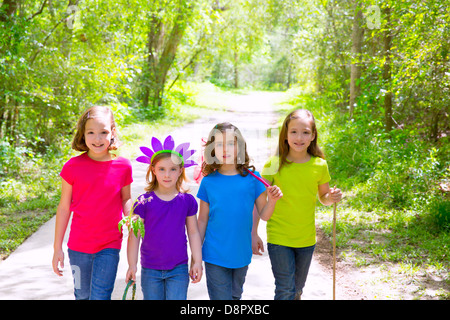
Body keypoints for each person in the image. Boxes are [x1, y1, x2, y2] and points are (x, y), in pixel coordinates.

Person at [254, 109, 342, 300]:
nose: (299, 137)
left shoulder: (319, 165)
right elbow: (260, 204)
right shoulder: (273, 164)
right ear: (285, 135)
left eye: (305, 132)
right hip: (279, 237)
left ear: (312, 136)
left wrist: (331, 197)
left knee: (297, 289)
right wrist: (254, 232)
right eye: (293, 132)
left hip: (306, 238)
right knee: (285, 289)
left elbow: (323, 197)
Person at [52, 106, 133, 300]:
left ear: (112, 132)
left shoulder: (122, 166)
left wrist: (131, 218)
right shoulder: (72, 167)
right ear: (83, 134)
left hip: (109, 245)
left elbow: (126, 198)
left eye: (103, 132)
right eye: (91, 133)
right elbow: (64, 208)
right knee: (82, 294)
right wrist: (57, 248)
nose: (97, 139)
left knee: (101, 296)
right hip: (78, 248)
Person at [197, 122, 283, 300]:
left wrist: (272, 200)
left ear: (240, 147)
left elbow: (265, 215)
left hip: (241, 253)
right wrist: (196, 254)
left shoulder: (253, 179)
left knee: (235, 297)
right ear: (212, 149)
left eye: (231, 143)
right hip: (214, 253)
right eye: (219, 144)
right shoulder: (208, 182)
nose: (225, 149)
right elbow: (202, 220)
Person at [125, 135, 203, 300]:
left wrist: (197, 261)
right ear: (153, 170)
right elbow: (134, 235)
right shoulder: (143, 202)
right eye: (162, 169)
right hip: (150, 270)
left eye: (173, 169)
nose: (167, 174)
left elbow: (193, 233)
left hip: (178, 269)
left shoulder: (187, 201)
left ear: (180, 170)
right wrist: (132, 265)